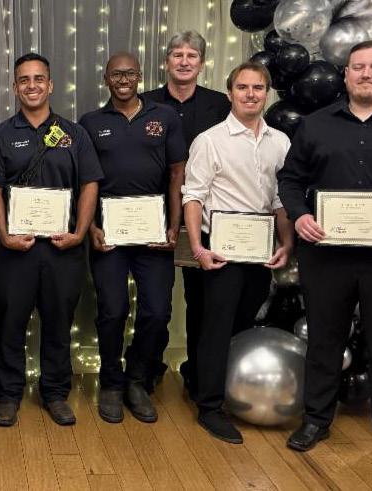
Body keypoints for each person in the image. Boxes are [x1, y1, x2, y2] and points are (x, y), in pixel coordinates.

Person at [277, 41, 372, 470]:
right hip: (327, 256)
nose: (366, 74)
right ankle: (316, 420)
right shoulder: (314, 125)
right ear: (345, 74)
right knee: (324, 342)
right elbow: (290, 180)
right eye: (358, 67)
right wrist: (301, 214)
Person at [0, 53, 103, 427]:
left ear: (50, 85)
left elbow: (89, 184)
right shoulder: (1, 135)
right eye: (24, 80)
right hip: (15, 251)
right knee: (10, 325)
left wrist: (80, 233)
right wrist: (4, 235)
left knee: (58, 325)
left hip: (63, 249)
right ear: (14, 87)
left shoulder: (74, 134)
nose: (31, 85)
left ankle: (55, 393)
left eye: (38, 79)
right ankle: (8, 395)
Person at [182, 62, 293, 443]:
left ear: (267, 93)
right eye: (242, 87)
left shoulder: (280, 142)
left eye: (258, 88)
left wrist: (287, 242)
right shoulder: (210, 140)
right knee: (216, 328)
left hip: (259, 250)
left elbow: (280, 200)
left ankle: (229, 391)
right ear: (230, 93)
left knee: (244, 324)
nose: (250, 94)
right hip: (221, 250)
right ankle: (209, 406)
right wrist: (198, 248)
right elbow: (193, 197)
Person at [78, 52, 186, 424]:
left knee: (157, 312)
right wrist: (91, 227)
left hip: (153, 234)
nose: (123, 80)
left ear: (139, 76)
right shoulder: (91, 122)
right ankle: (111, 382)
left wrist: (174, 226)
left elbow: (177, 174)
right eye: (115, 74)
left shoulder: (165, 117)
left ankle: (137, 379)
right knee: (112, 310)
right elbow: (85, 181)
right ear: (106, 79)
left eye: (129, 73)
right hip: (109, 234)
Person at [140, 31, 231, 397]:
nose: (184, 61)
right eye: (177, 54)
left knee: (201, 299)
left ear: (202, 64)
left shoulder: (220, 105)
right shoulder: (144, 103)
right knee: (155, 301)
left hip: (204, 216)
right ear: (166, 62)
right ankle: (149, 367)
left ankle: (198, 371)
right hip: (154, 214)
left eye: (192, 55)